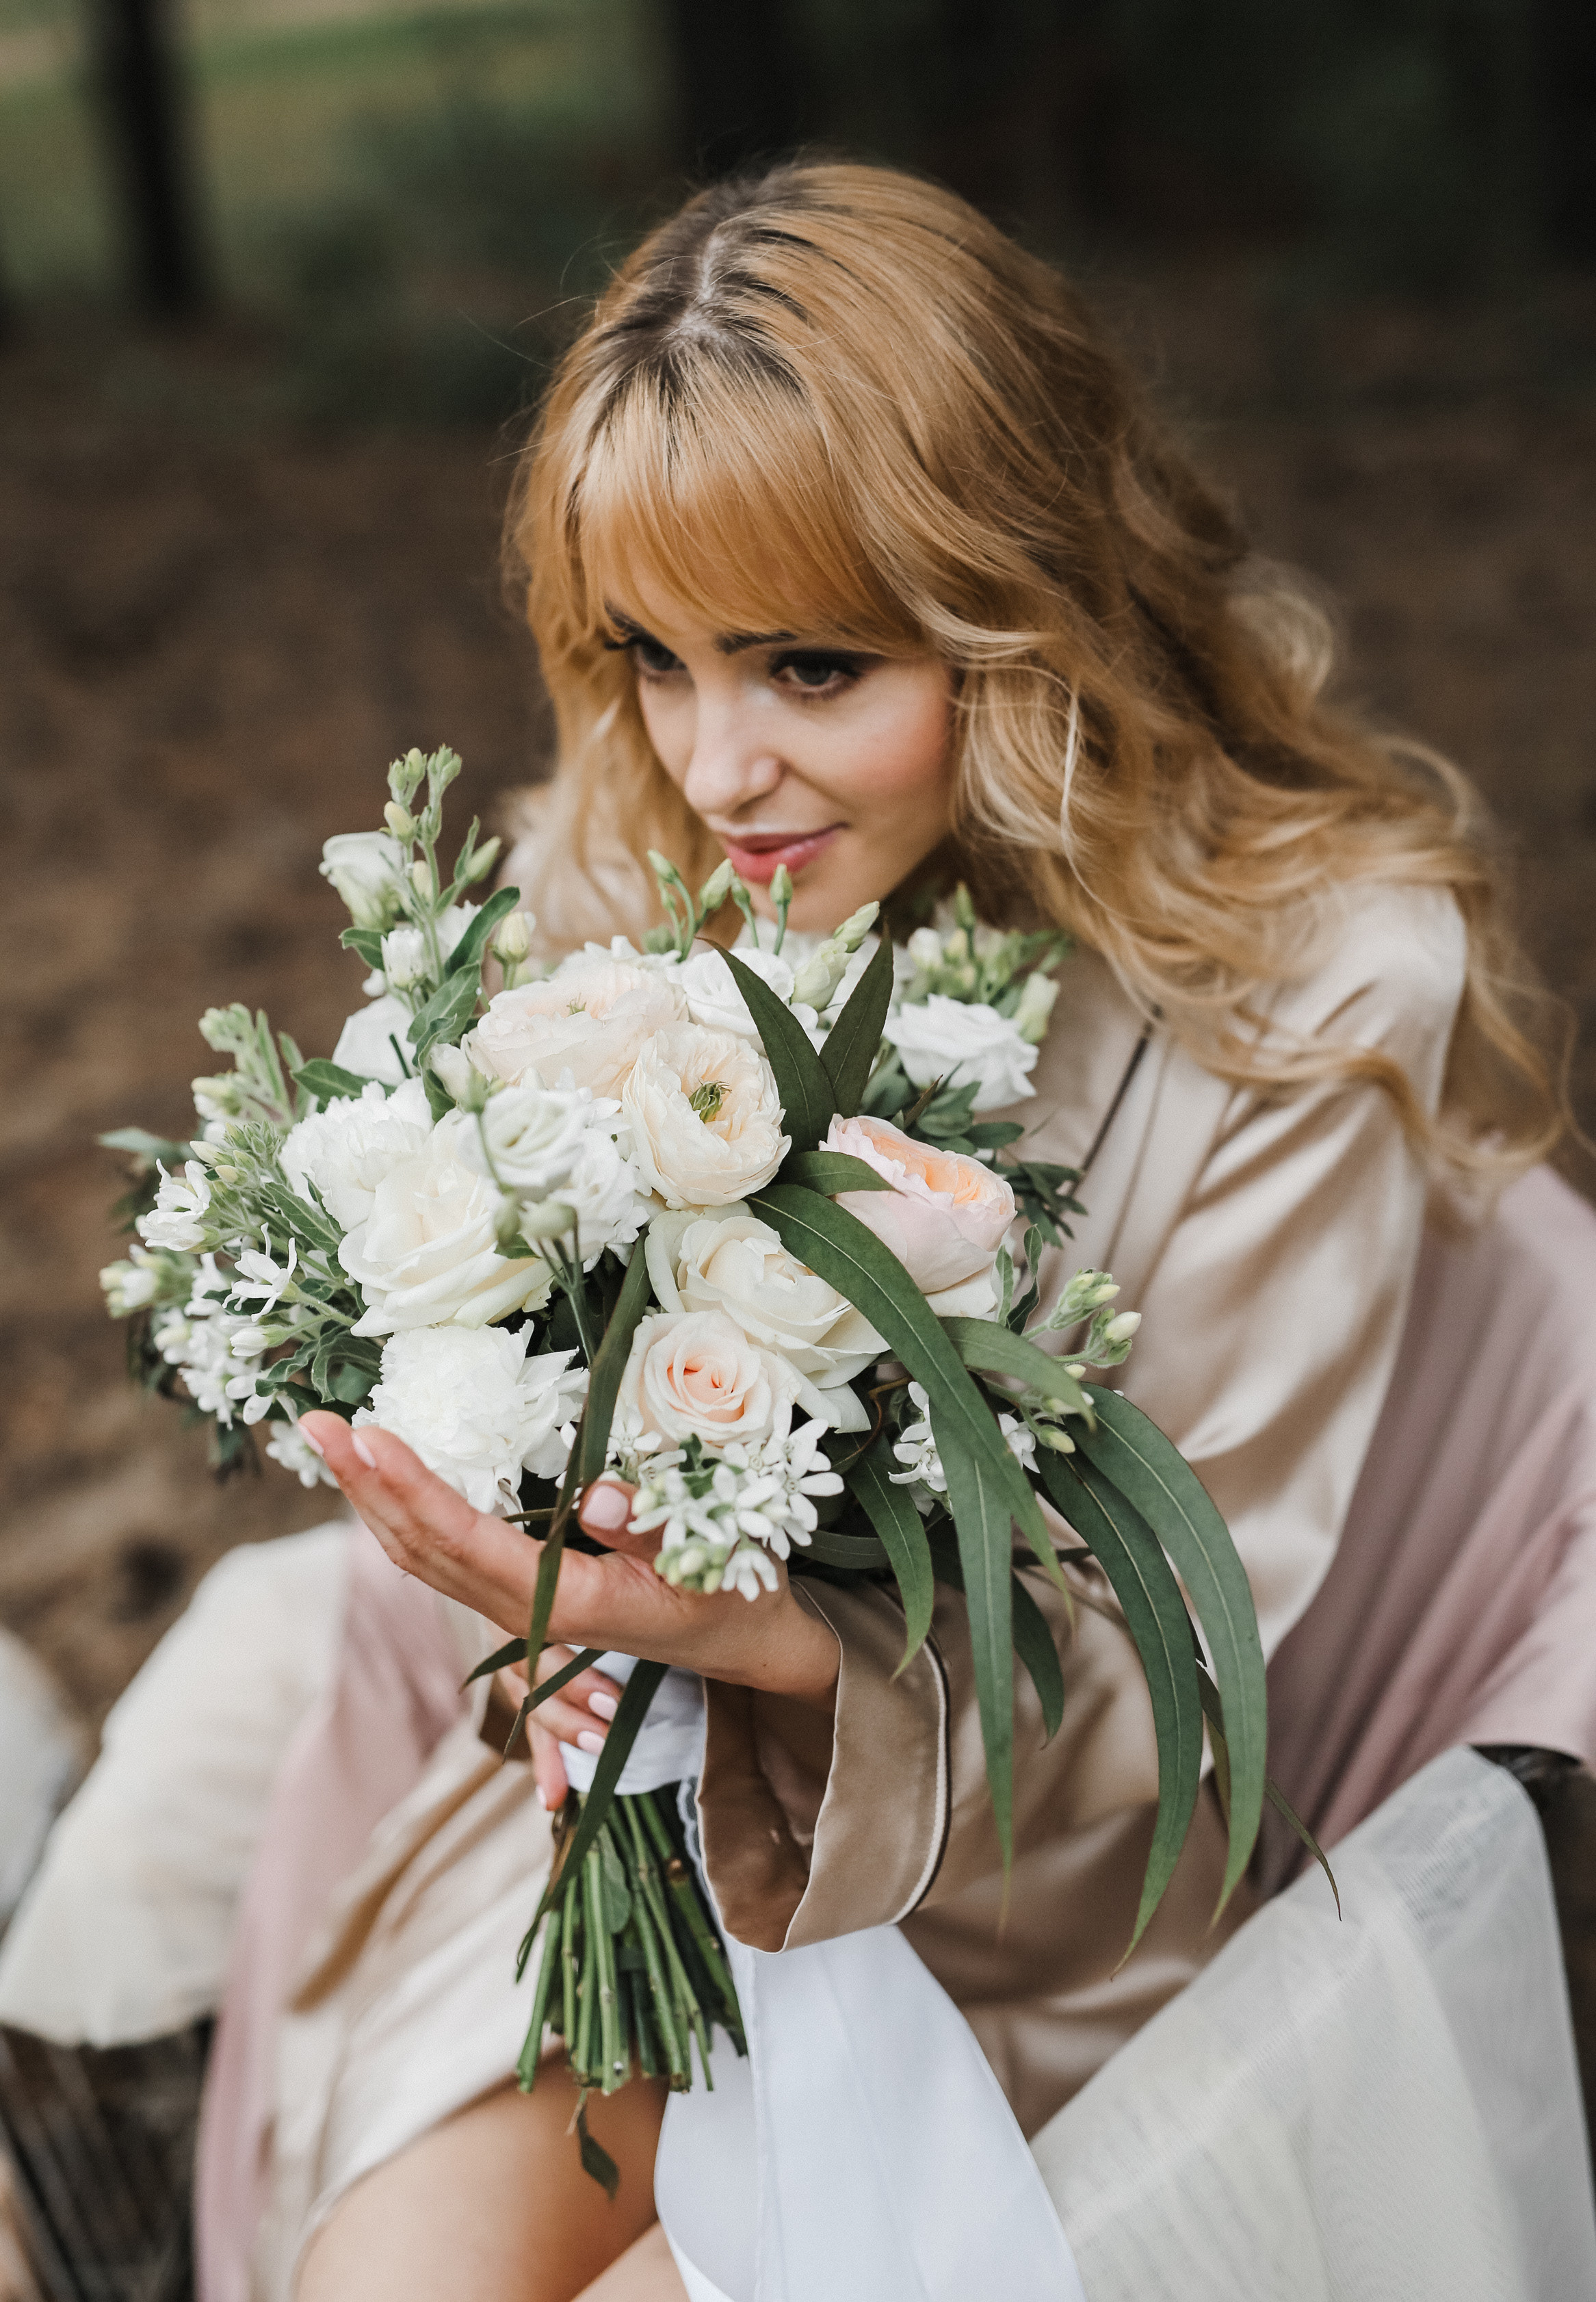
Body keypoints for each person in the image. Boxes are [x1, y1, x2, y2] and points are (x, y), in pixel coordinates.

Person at [1, 160, 1565, 2302]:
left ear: (1026, 616)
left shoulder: (1304, 1004)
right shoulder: (625, 883)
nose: (719, 763)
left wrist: (777, 1643)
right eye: (654, 659)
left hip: (1046, 1905)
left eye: (813, 666)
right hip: (623, 1849)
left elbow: (1173, 1669)